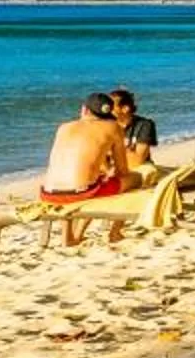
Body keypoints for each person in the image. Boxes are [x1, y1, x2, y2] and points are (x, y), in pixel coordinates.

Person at [40, 90, 130, 244]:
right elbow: (122, 170)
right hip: (81, 193)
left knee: (76, 182)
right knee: (133, 179)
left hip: (47, 193)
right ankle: (116, 231)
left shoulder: (63, 127)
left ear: (84, 109)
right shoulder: (113, 127)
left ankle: (67, 236)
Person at [108, 88, 159, 175]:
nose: (108, 111)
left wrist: (111, 152)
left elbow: (138, 160)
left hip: (138, 168)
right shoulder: (106, 126)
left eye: (111, 107)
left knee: (150, 171)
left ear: (125, 108)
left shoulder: (144, 125)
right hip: (112, 169)